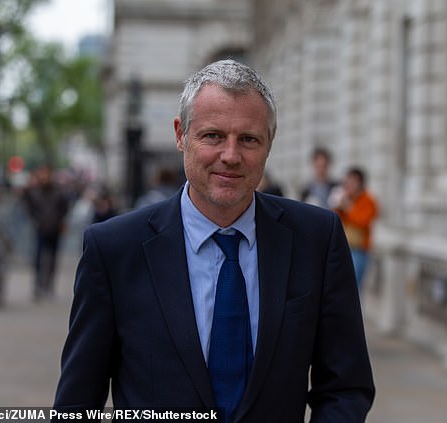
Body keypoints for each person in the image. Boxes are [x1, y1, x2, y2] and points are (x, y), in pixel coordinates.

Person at [53, 59, 374, 422]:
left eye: (248, 139)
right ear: (180, 135)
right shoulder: (113, 249)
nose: (231, 156)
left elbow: (347, 387)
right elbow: (77, 404)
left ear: (270, 144)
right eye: (213, 136)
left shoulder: (317, 238)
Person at [23, 164, 69, 301]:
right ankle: (38, 286)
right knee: (38, 258)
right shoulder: (33, 192)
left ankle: (49, 286)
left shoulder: (58, 192)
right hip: (40, 229)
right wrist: (36, 220)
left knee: (53, 259)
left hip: (54, 229)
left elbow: (64, 207)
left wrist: (60, 221)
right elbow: (28, 207)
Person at [332, 167, 378, 290]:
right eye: (347, 182)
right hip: (344, 247)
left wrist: (347, 206)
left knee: (353, 287)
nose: (349, 186)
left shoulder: (368, 200)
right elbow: (336, 220)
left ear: (360, 183)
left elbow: (362, 221)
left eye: (352, 182)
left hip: (359, 250)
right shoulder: (346, 198)